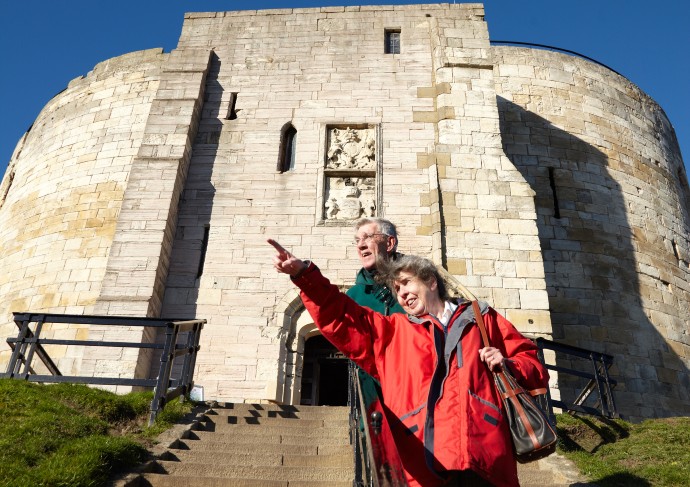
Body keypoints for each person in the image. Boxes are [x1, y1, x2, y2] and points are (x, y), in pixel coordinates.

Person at [268, 238, 549, 487]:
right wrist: (304, 276)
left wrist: (507, 363)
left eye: (406, 284)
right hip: (421, 460)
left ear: (431, 282)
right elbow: (343, 316)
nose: (400, 294)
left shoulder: (482, 318)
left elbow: (533, 363)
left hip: (486, 454)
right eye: (396, 288)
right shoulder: (392, 332)